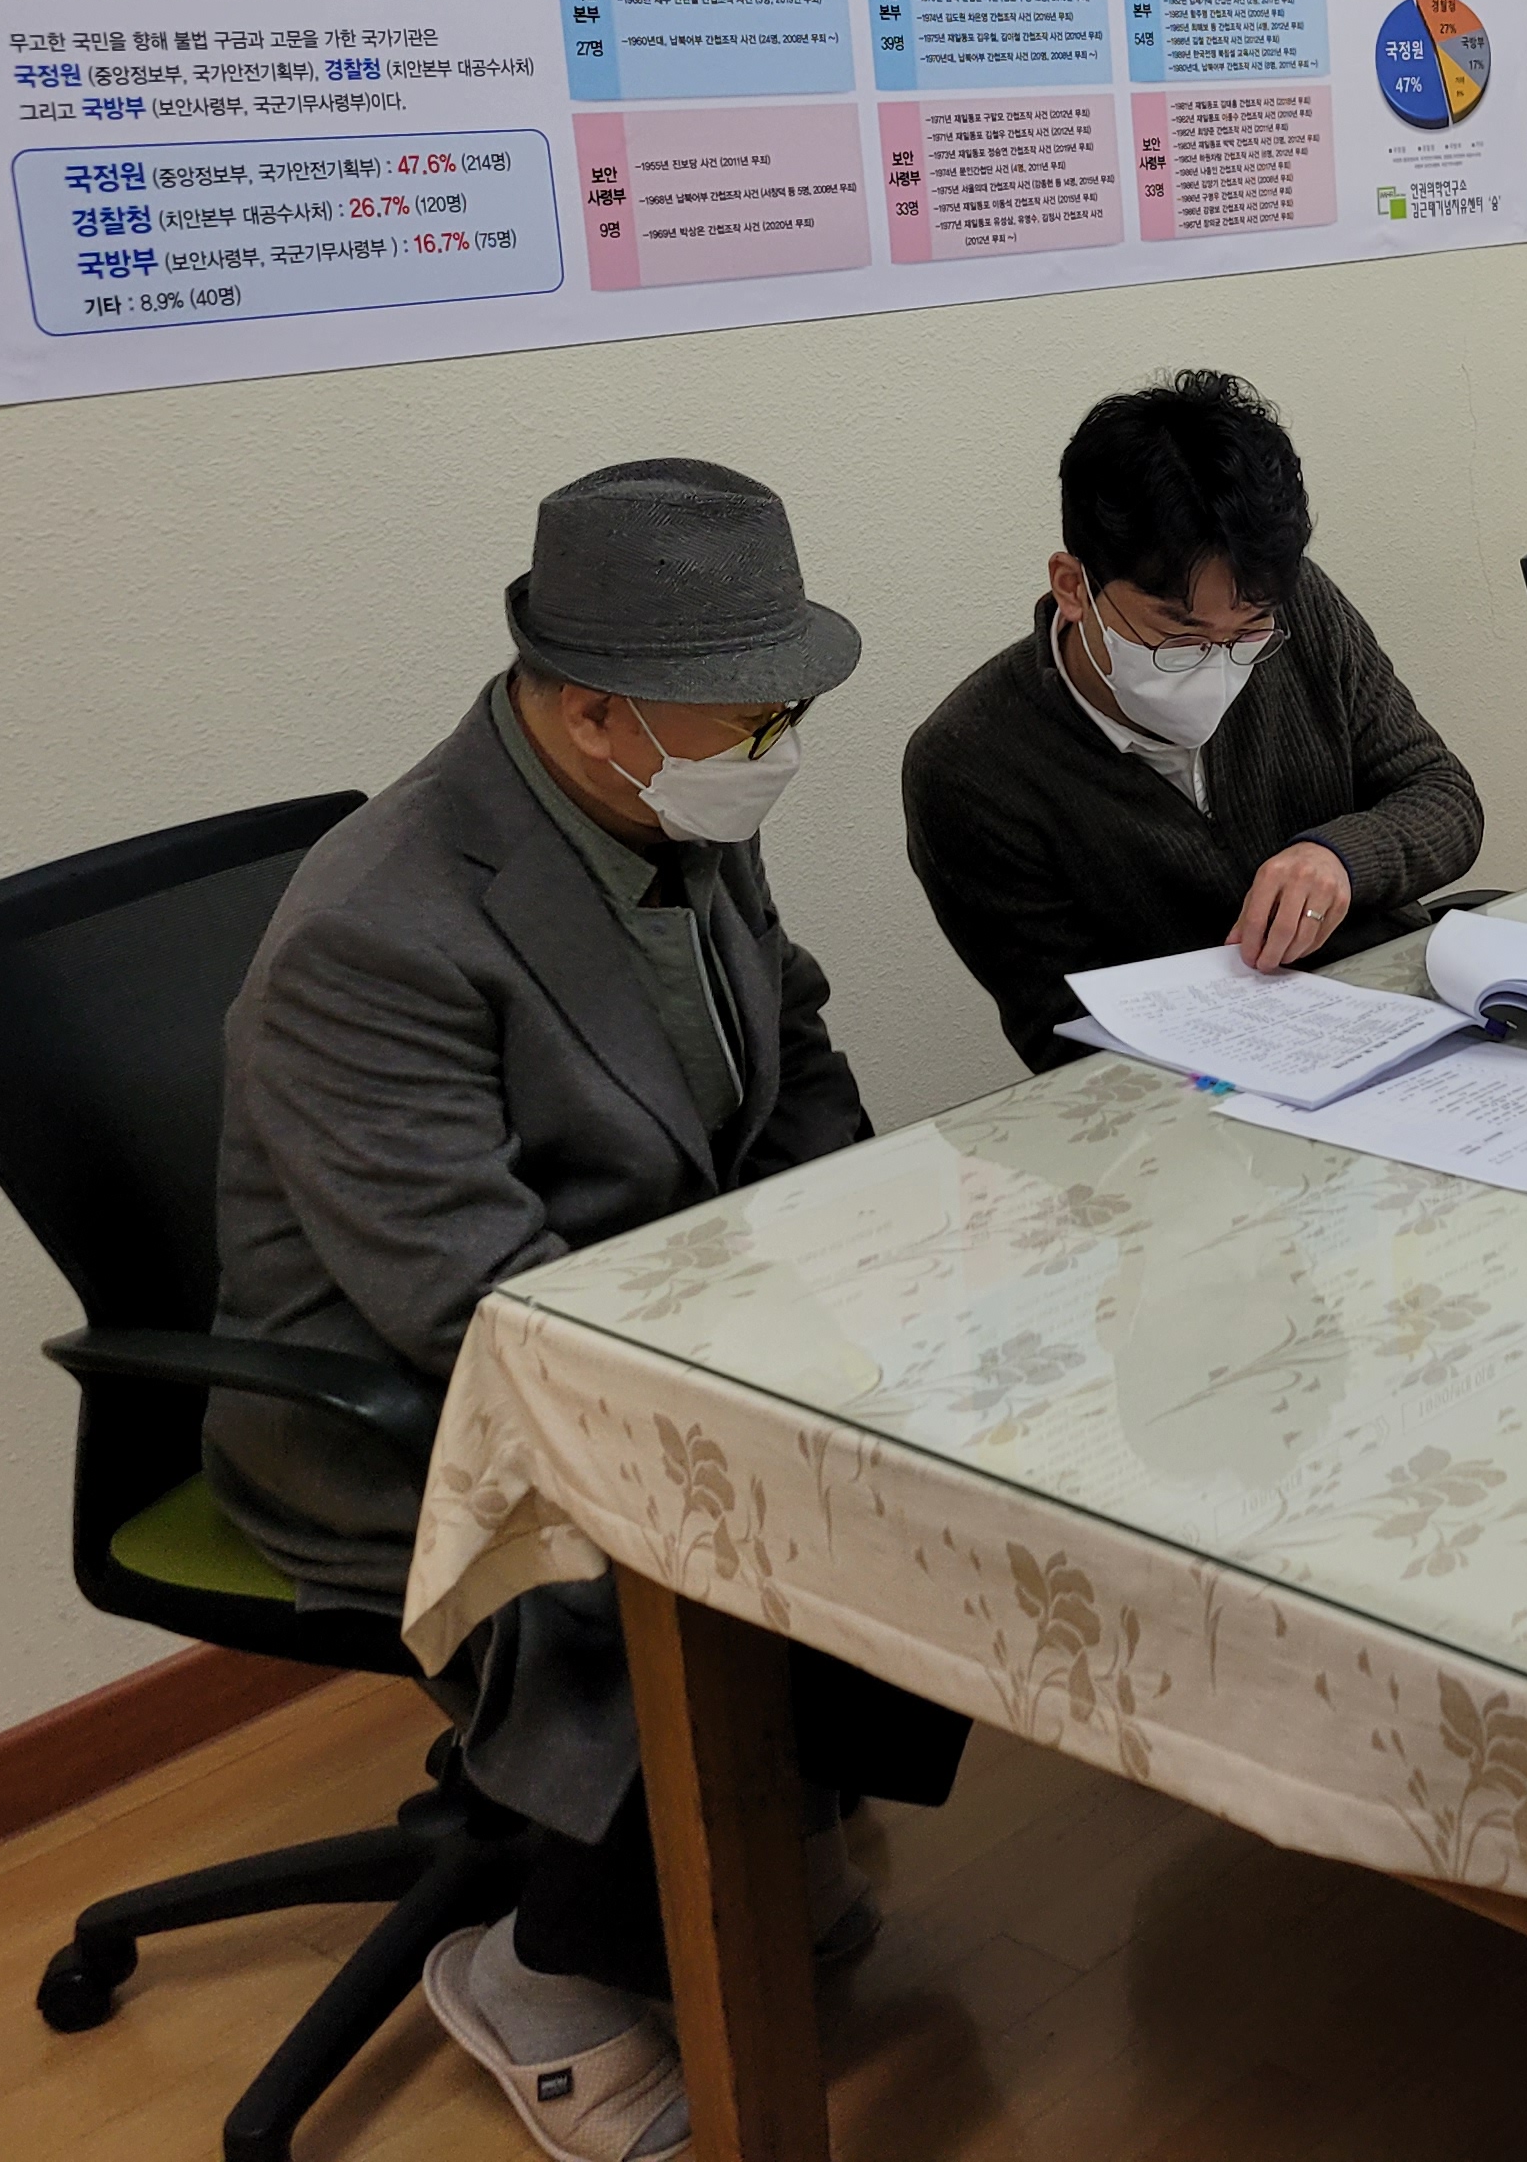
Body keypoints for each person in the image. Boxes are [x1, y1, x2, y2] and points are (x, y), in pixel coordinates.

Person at [206, 459, 965, 2162]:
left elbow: (790, 1050)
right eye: (749, 717)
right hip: (412, 1402)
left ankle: (757, 1818)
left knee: (937, 1413)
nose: (777, 747)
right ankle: (546, 1971)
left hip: (644, 1303)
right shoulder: (381, 927)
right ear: (592, 707)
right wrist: (765, 1373)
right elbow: (468, 1299)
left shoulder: (662, 808)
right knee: (729, 1523)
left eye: (784, 710)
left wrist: (867, 1253)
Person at [902, 370, 1485, 1070]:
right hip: (1196, 1084)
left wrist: (1341, 858)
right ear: (1073, 586)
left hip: (1400, 1020)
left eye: (1247, 632)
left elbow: (1444, 798)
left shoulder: (1298, 608)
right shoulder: (970, 766)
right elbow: (1062, 1030)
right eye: (1177, 637)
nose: (1217, 665)